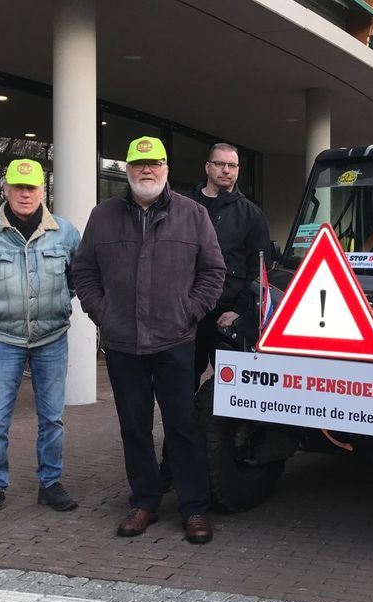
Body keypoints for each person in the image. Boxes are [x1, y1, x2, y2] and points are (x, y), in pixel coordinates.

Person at [71, 137, 225, 543]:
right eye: (139, 164)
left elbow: (213, 272)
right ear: (127, 170)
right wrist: (103, 313)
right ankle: (144, 502)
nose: (147, 170)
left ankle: (194, 509)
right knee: (134, 427)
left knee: (183, 425)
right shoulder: (103, 216)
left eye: (154, 163)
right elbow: (84, 271)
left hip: (175, 340)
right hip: (123, 342)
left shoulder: (192, 214)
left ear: (166, 169)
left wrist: (188, 312)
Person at [0, 158, 81, 521]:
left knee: (52, 418)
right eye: (18, 187)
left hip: (51, 337)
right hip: (3, 339)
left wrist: (56, 306)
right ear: (6, 190)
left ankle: (50, 484)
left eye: (31, 187)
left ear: (43, 190)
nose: (25, 194)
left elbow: (76, 280)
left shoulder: (66, 233)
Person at [184, 143, 271, 384]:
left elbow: (260, 269)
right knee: (181, 385)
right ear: (207, 167)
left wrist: (239, 311)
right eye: (220, 164)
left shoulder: (251, 215)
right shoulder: (182, 206)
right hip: (186, 313)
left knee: (231, 388)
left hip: (227, 316)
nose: (226, 170)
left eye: (232, 165)